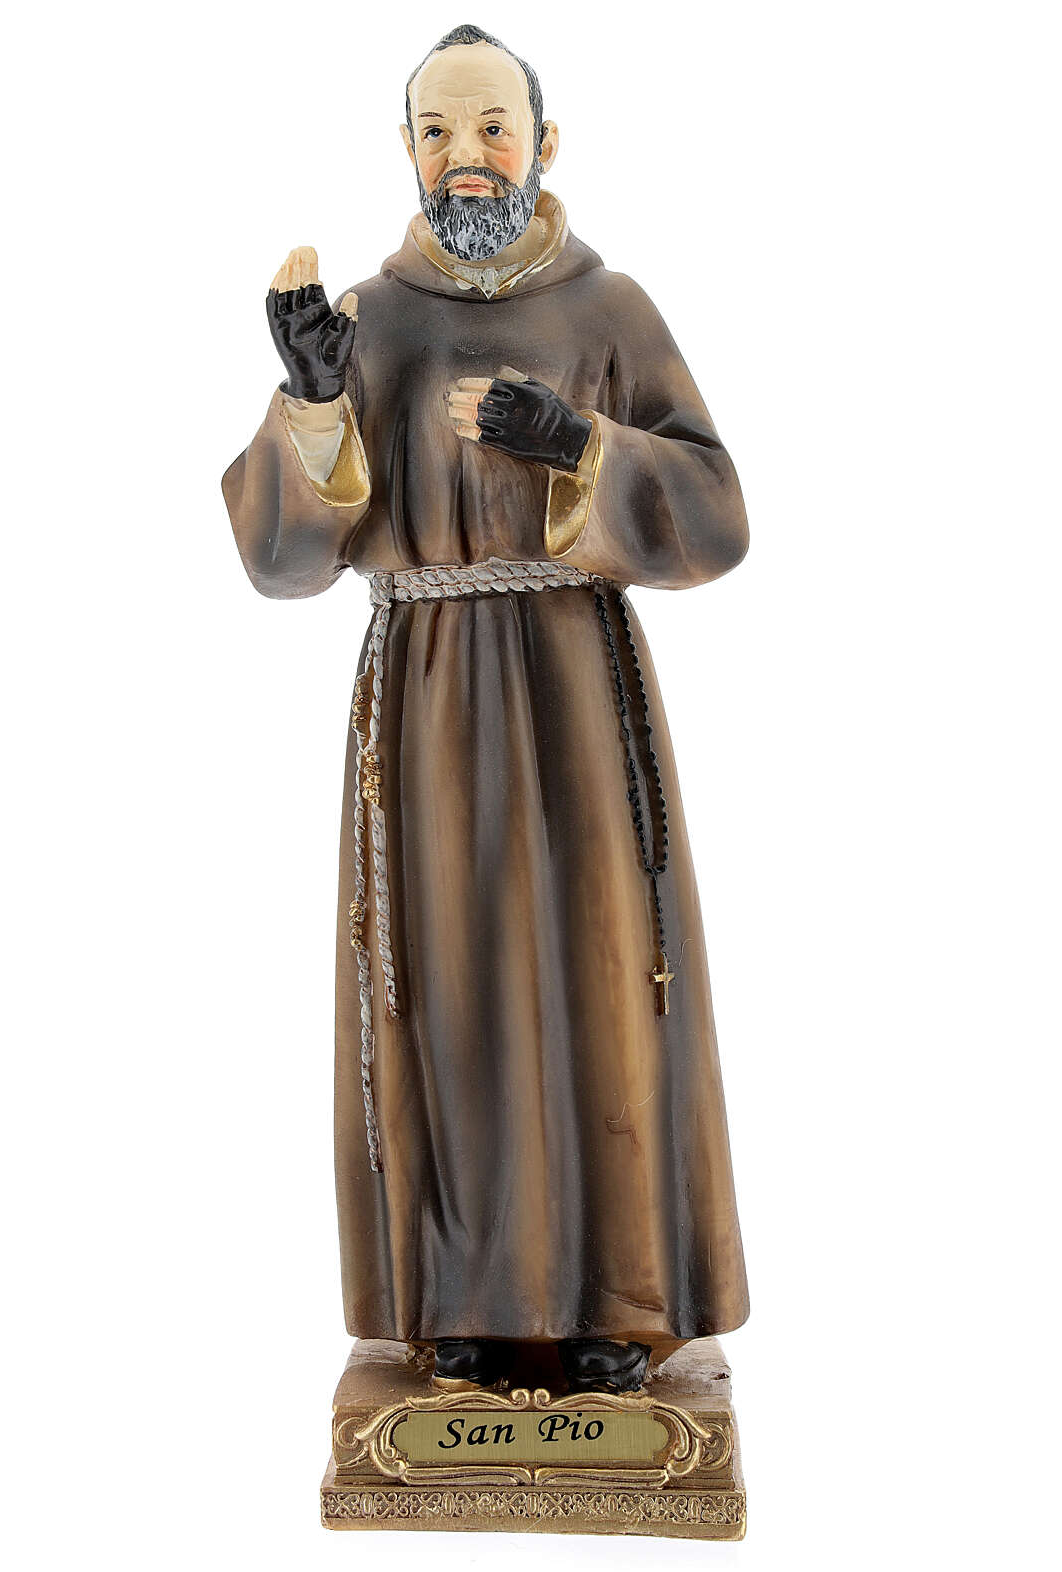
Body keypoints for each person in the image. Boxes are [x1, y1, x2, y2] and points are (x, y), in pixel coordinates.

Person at [224, 25, 750, 1393]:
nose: (468, 157)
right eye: (439, 131)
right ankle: (457, 1293)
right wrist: (314, 402)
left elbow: (716, 515)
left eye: (495, 127)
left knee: (601, 980)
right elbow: (281, 562)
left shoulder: (610, 311)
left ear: (546, 144)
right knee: (445, 991)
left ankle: (618, 1295)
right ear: (405, 149)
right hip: (430, 702)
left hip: (576, 688)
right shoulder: (371, 322)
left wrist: (577, 445)